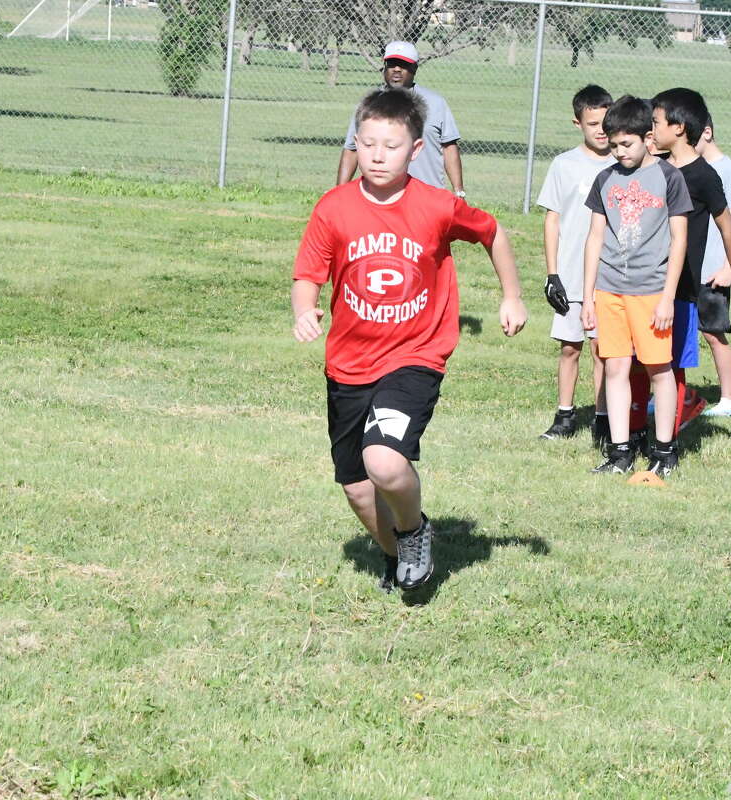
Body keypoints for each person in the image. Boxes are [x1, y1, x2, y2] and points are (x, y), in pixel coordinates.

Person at [294, 88, 527, 593]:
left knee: (384, 462)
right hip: (348, 364)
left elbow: (493, 234)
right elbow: (307, 274)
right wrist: (303, 309)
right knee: (358, 490)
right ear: (356, 144)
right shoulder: (333, 208)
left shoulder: (438, 206)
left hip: (414, 355)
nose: (378, 156)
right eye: (369, 144)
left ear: (416, 151)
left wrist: (512, 296)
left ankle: (414, 530)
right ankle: (397, 554)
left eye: (391, 146)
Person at [581, 95, 692, 477]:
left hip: (651, 292)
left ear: (648, 138)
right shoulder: (605, 179)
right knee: (615, 369)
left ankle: (663, 451)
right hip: (610, 290)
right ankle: (620, 451)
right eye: (612, 145)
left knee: (659, 369)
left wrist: (667, 298)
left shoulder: (669, 178)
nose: (619, 152)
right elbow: (594, 238)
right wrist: (588, 297)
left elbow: (680, 240)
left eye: (626, 144)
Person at [650, 89, 731, 433]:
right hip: (650, 279)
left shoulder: (705, 175)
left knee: (674, 358)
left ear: (679, 127)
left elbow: (727, 228)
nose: (651, 130)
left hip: (684, 285)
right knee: (652, 355)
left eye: (656, 122)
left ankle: (678, 416)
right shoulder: (657, 169)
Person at [537, 85, 615, 445]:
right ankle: (565, 415)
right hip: (570, 274)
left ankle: (603, 418)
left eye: (606, 122)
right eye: (593, 123)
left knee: (603, 349)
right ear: (577, 123)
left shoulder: (623, 163)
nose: (601, 130)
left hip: (607, 277)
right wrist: (553, 274)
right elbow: (553, 220)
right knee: (570, 347)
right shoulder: (564, 165)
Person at [336, 41, 465, 196]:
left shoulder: (436, 103)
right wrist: (339, 193)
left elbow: (449, 148)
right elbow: (351, 150)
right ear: (384, 67)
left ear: (414, 69)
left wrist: (459, 191)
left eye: (403, 65)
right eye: (392, 64)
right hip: (381, 197)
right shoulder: (370, 104)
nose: (396, 69)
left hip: (427, 195)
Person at [695, 116, 731, 415]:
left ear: (707, 132)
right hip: (690, 270)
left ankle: (730, 399)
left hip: (714, 269)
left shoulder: (728, 170)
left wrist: (730, 268)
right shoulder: (691, 167)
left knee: (714, 333)